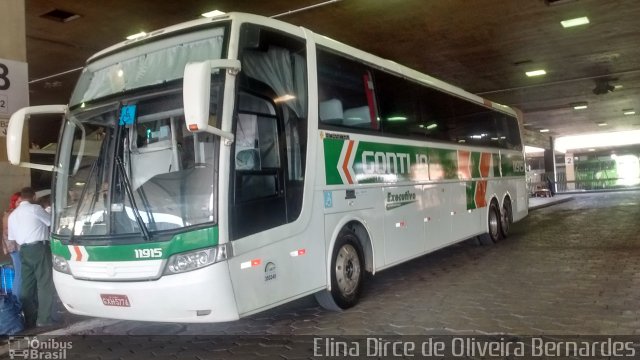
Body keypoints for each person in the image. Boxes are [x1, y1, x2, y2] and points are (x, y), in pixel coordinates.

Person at [8, 187, 57, 328]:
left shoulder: (13, 215)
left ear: (21, 198)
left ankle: (30, 319)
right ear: (34, 197)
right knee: (44, 283)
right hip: (39, 248)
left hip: (23, 250)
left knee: (27, 285)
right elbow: (50, 222)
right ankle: (44, 319)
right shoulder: (35, 209)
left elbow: (12, 237)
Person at [2, 192, 22, 299]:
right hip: (14, 247)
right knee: (19, 273)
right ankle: (16, 301)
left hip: (17, 247)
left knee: (20, 273)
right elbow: (7, 232)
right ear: (14, 202)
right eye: (19, 202)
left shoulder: (16, 213)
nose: (21, 204)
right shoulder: (10, 214)